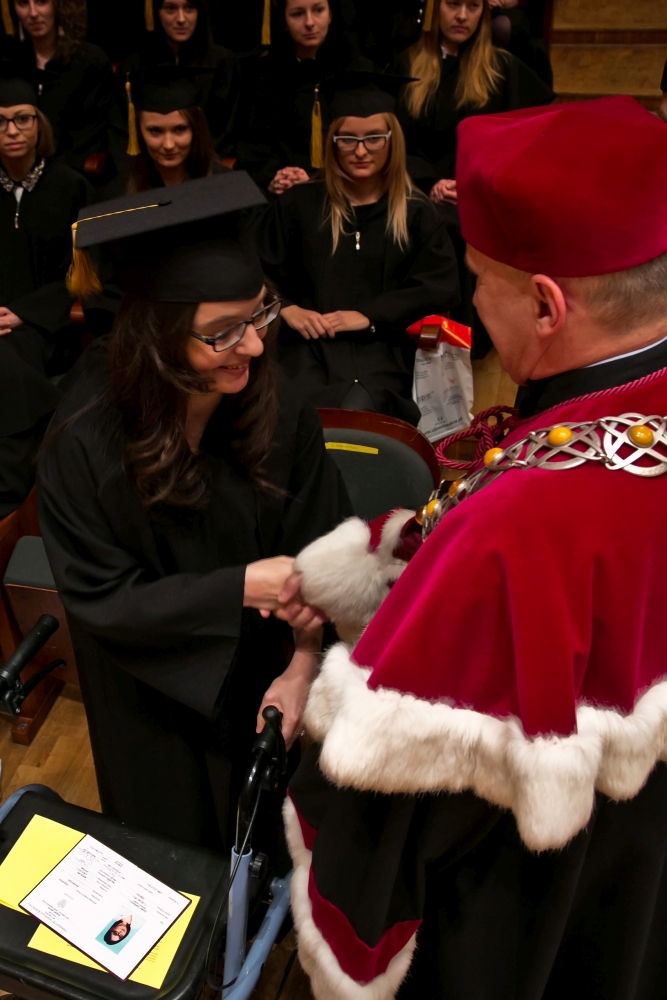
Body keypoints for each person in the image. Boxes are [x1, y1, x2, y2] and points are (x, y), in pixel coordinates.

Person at [283, 96, 667, 998]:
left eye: (478, 279)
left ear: (545, 304)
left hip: (526, 912)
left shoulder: (516, 533)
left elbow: (385, 827)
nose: (470, 299)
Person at [37, 172, 353, 852]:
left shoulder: (278, 408)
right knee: (171, 859)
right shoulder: (83, 441)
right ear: (156, 335)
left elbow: (327, 548)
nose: (255, 347)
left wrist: (303, 664)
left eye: (260, 315)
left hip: (266, 681)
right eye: (223, 333)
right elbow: (101, 598)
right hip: (146, 698)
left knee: (268, 846)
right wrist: (240, 587)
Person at [258, 69, 459, 423]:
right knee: (298, 410)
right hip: (305, 346)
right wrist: (285, 309)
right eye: (348, 139)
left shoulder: (416, 213)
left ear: (392, 141)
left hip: (385, 348)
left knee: (363, 408)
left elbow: (436, 287)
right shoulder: (298, 206)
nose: (361, 151)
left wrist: (370, 316)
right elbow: (257, 269)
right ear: (331, 141)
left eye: (374, 138)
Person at [396, 0, 553, 201]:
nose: (462, 16)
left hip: (482, 194)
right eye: (453, 4)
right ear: (435, 8)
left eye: (473, 6)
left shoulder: (501, 69)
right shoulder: (407, 65)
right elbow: (397, 142)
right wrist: (430, 182)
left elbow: (519, 144)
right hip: (418, 194)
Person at [0, 62, 89, 371]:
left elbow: (83, 270)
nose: (12, 131)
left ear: (39, 124)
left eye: (22, 119)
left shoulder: (71, 188)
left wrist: (25, 313)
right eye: (0, 121)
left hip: (46, 326)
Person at [235, 0, 359, 194]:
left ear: (331, 14)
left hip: (343, 188)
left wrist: (317, 180)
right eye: (297, 14)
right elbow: (254, 143)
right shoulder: (264, 74)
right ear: (284, 21)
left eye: (318, 10)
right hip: (283, 191)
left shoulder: (355, 70)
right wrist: (275, 177)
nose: (309, 22)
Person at [112, 0, 239, 162]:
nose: (181, 19)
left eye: (189, 8)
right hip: (148, 164)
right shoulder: (135, 63)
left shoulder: (223, 62)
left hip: (204, 163)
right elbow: (121, 128)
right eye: (170, 8)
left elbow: (226, 128)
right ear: (156, 13)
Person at [2, 0, 113, 173]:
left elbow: (87, 139)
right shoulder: (7, 62)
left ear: (59, 5)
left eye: (41, 2)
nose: (33, 13)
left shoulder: (90, 61)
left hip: (67, 173)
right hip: (13, 170)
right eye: (23, 3)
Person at [102, 66, 228, 198]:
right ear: (138, 132)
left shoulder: (227, 187)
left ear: (196, 130)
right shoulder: (117, 194)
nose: (169, 145)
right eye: (155, 131)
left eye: (180, 129)